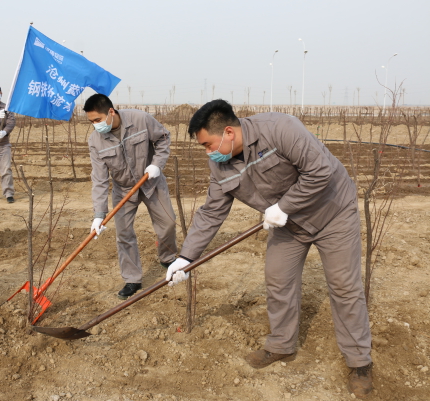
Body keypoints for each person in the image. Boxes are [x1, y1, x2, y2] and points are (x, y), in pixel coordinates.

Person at [165, 100, 373, 399]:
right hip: (289, 225)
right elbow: (211, 212)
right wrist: (185, 257)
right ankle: (281, 345)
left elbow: (321, 171)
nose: (208, 153)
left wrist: (284, 206)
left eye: (208, 145)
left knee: (344, 286)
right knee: (278, 279)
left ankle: (359, 361)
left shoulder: (280, 129)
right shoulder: (220, 164)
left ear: (228, 132)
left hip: (333, 212)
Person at [84, 94, 178, 299]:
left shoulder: (140, 119)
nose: (95, 125)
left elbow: (163, 138)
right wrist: (99, 214)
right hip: (124, 189)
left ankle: (167, 257)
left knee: (168, 223)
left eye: (98, 120)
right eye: (91, 122)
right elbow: (99, 179)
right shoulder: (95, 141)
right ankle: (132, 279)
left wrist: (157, 164)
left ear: (111, 112)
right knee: (124, 233)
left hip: (151, 182)